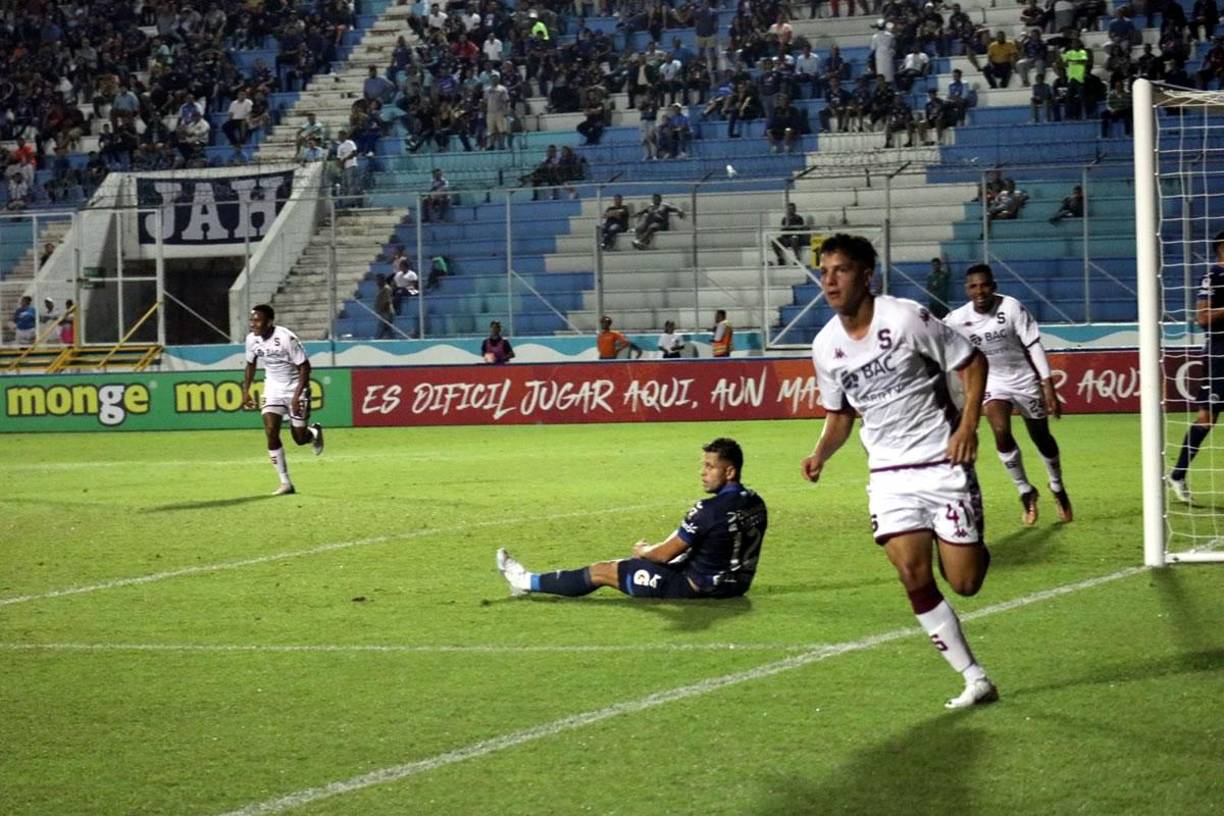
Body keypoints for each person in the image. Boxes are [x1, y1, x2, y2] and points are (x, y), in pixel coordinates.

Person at [802, 234, 997, 709]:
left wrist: (968, 426)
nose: (830, 281)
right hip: (889, 473)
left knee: (966, 583)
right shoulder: (825, 347)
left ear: (866, 275)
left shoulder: (906, 317)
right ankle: (974, 677)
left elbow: (972, 363)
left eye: (841, 270)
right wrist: (821, 453)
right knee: (911, 572)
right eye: (824, 272)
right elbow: (841, 415)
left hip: (941, 461)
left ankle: (971, 531)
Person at [496, 438, 767, 599]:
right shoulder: (757, 502)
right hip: (736, 586)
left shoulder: (707, 510)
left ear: (729, 472)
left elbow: (662, 555)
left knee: (603, 570)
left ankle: (524, 582)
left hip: (693, 588)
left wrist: (643, 551)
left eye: (709, 467)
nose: (702, 472)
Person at [945, 265, 1072, 524]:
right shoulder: (957, 319)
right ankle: (1025, 490)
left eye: (984, 285)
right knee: (1001, 431)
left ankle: (1057, 486)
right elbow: (933, 338)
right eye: (973, 286)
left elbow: (1033, 345)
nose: (979, 291)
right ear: (967, 289)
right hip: (991, 381)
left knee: (1041, 437)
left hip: (1024, 379)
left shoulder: (1011, 307)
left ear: (994, 285)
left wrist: (1048, 386)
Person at [241, 304, 323, 496]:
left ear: (270, 322)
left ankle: (312, 432)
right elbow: (250, 364)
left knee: (299, 438)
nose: (253, 324)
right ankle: (285, 482)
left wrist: (296, 396)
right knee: (270, 431)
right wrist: (246, 391)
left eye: (258, 320)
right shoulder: (252, 340)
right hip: (273, 389)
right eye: (252, 320)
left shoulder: (286, 338)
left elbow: (305, 367)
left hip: (296, 388)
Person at [1169, 231, 1224, 503]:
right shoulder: (1213, 277)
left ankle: (1177, 475)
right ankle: (1178, 474)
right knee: (1207, 420)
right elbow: (1202, 317)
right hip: (1220, 356)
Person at [374, 274, 396, 339]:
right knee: (388, 330)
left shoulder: (386, 289)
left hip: (386, 312)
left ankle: (376, 341)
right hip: (383, 313)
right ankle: (394, 341)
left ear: (382, 280)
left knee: (381, 330)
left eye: (378, 280)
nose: (377, 282)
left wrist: (381, 309)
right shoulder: (381, 289)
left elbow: (387, 301)